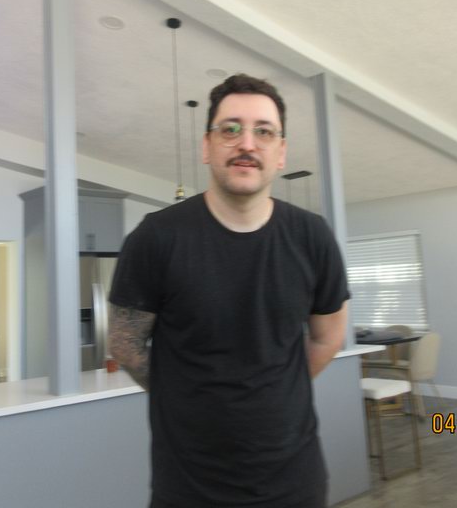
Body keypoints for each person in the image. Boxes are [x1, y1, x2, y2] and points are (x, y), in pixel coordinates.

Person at [109, 73, 350, 508]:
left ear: (281, 152)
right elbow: (125, 345)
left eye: (264, 131)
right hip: (189, 487)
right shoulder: (156, 237)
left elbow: (328, 337)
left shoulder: (312, 237)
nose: (247, 144)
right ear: (207, 146)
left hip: (294, 482)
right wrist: (184, 396)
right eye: (230, 129)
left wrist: (273, 391)